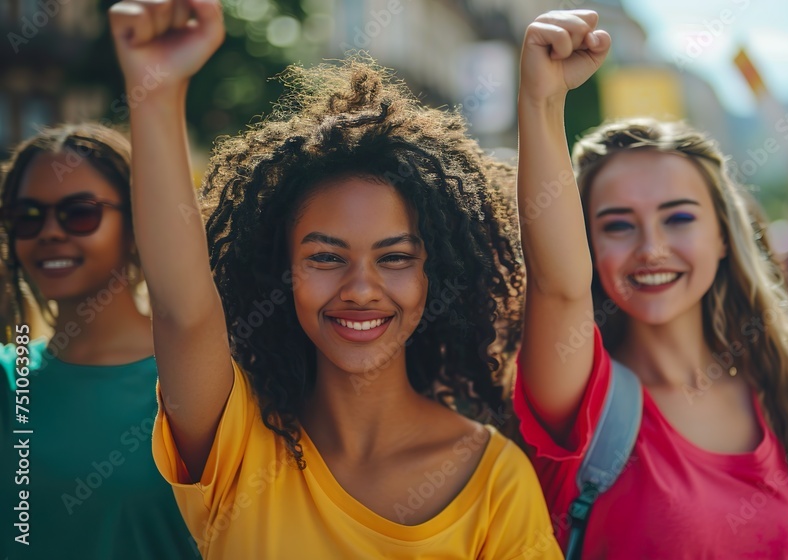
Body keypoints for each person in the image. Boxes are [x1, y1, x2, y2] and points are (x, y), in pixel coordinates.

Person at [108, 0, 560, 557]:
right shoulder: (236, 440)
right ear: (281, 272)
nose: (361, 287)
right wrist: (155, 91)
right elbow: (182, 306)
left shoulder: (494, 480)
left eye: (394, 257)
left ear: (434, 276)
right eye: (325, 257)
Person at [513, 10, 788, 559]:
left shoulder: (778, 386)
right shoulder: (586, 397)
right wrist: (540, 102)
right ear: (586, 245)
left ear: (724, 235)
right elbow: (559, 288)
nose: (651, 247)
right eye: (617, 225)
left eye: (678, 218)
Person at [0, 123, 197, 559]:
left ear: (135, 225)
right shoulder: (7, 377)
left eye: (80, 213)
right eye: (27, 217)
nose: (50, 232)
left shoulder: (196, 379)